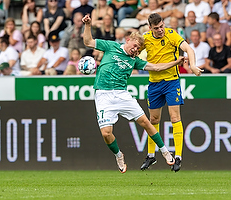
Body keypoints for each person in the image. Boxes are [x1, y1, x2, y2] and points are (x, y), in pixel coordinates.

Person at [82, 14, 182, 173]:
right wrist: (88, 25)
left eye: (138, 49)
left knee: (146, 122)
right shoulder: (110, 46)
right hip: (103, 95)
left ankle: (164, 151)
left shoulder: (135, 60)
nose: (135, 50)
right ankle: (118, 155)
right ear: (128, 40)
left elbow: (156, 67)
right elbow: (88, 42)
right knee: (106, 134)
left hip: (122, 95)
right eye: (134, 46)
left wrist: (176, 62)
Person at [140, 13, 203, 172]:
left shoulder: (171, 35)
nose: (161, 30)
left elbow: (188, 48)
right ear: (150, 28)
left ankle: (178, 156)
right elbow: (133, 51)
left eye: (162, 26)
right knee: (153, 119)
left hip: (171, 81)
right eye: (157, 28)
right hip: (154, 83)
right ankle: (151, 155)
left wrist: (193, 65)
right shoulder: (146, 38)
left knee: (175, 117)